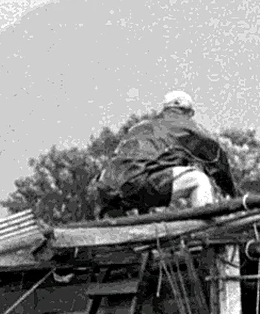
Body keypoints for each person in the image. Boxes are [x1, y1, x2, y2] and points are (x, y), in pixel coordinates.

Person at [94, 90, 239, 218]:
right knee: (199, 180)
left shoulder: (139, 127)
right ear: (188, 112)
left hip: (106, 190)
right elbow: (218, 160)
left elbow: (136, 168)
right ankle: (204, 236)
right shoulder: (186, 126)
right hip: (138, 183)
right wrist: (234, 195)